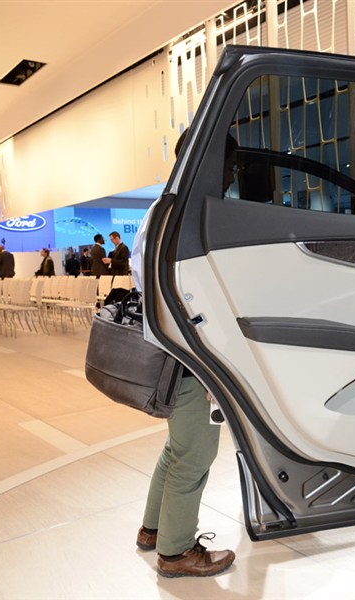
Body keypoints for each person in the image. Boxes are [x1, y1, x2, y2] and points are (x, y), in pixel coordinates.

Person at [134, 128, 235, 578]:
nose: (231, 175)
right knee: (194, 454)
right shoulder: (188, 215)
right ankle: (175, 554)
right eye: (229, 164)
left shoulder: (162, 207)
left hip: (168, 351)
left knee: (179, 447)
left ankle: (153, 530)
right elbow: (192, 293)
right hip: (188, 355)